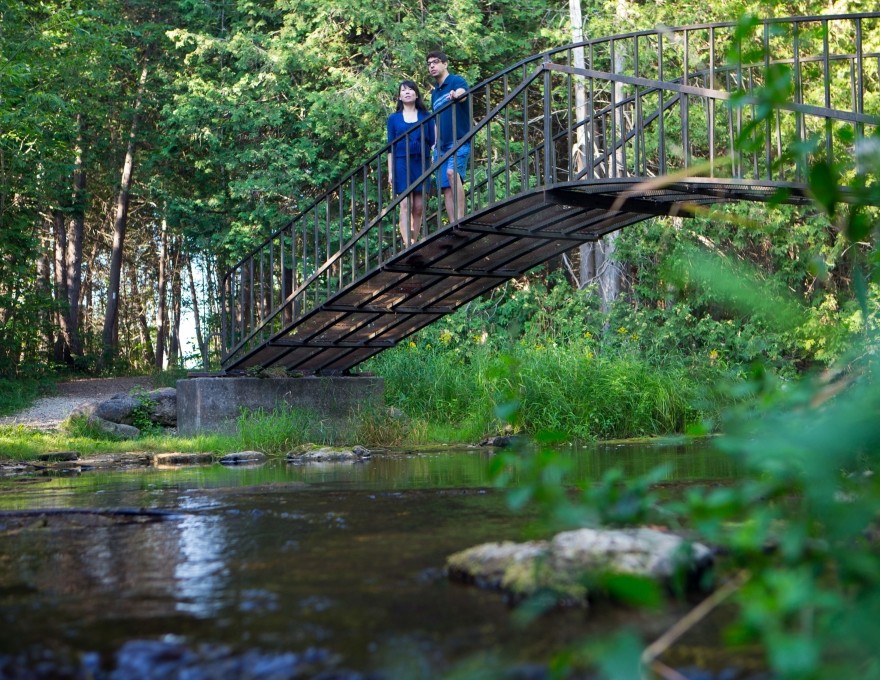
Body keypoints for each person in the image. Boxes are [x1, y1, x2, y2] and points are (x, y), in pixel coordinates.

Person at [386, 80, 435, 246]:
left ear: (416, 94)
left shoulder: (426, 116)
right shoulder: (393, 119)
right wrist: (390, 172)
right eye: (403, 90)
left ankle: (414, 240)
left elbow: (433, 142)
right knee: (406, 204)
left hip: (421, 162)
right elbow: (390, 147)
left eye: (410, 89)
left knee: (419, 206)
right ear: (399, 96)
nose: (407, 92)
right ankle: (408, 244)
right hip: (401, 162)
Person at [427, 51, 471, 222]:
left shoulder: (455, 81)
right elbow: (436, 121)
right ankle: (453, 225)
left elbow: (462, 93)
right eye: (429, 63)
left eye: (435, 62)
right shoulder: (435, 93)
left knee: (452, 173)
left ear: (445, 64)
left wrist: (456, 95)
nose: (432, 66)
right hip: (441, 145)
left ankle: (461, 220)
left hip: (458, 140)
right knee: (446, 187)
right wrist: (434, 145)